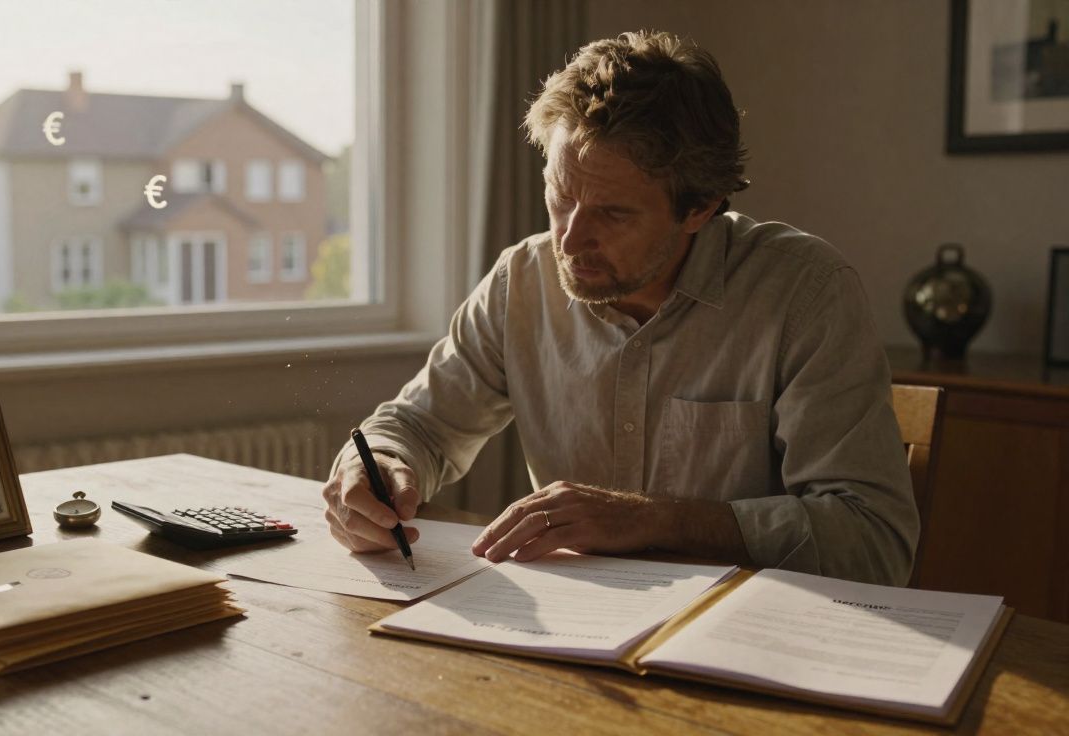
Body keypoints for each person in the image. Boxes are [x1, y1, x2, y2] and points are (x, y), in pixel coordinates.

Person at [322, 30, 918, 586]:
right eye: (560, 197)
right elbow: (417, 426)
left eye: (613, 213)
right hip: (575, 640)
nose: (569, 240)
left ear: (701, 207)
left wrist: (656, 519)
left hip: (749, 645)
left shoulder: (803, 293)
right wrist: (376, 468)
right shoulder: (523, 281)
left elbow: (873, 542)